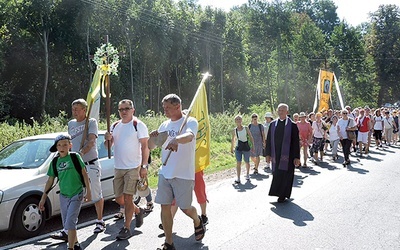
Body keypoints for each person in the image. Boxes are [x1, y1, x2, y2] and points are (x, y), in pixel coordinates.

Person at [149, 94, 205, 250]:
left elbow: (189, 136)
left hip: (183, 174)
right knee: (164, 206)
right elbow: (151, 147)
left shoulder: (189, 121)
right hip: (165, 172)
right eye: (164, 107)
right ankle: (169, 243)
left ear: (177, 106)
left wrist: (176, 139)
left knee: (185, 208)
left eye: (168, 107)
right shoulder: (164, 125)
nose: (164, 110)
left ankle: (197, 220)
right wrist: (152, 138)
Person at [104, 99, 149, 240]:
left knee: (128, 198)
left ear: (132, 110)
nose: (124, 111)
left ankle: (126, 228)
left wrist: (144, 166)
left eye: (126, 108)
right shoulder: (115, 125)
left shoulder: (138, 125)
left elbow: (145, 147)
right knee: (119, 199)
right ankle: (138, 210)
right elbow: (108, 147)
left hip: (133, 167)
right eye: (121, 109)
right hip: (118, 167)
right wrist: (107, 139)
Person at [39, 134, 91, 250]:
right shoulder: (55, 161)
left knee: (70, 223)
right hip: (64, 196)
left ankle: (70, 247)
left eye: (65, 144)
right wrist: (43, 198)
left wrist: (89, 192)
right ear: (56, 147)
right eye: (59, 145)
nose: (62, 147)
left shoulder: (75, 157)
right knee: (67, 223)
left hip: (76, 193)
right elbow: (50, 180)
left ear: (70, 145)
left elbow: (84, 174)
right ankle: (76, 244)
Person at [66, 99, 105, 234]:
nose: (74, 112)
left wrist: (80, 153)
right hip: (75, 166)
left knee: (95, 193)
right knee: (74, 194)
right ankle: (69, 227)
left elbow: (92, 141)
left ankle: (100, 221)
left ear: (84, 110)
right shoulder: (70, 124)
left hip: (90, 163)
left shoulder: (91, 122)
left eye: (77, 109)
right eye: (73, 109)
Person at [265, 103, 300, 203]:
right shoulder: (273, 124)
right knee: (276, 174)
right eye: (279, 110)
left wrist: (297, 157)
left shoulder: (292, 126)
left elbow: (295, 142)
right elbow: (268, 141)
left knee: (286, 175)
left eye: (283, 110)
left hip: (288, 155)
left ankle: (283, 195)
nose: (280, 112)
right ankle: (277, 192)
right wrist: (267, 154)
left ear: (287, 112)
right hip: (276, 154)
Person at [231, 115, 254, 183]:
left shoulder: (246, 128)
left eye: (239, 119)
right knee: (238, 162)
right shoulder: (234, 130)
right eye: (237, 119)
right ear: (235, 121)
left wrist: (253, 146)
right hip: (238, 148)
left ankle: (247, 174)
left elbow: (250, 137)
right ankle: (238, 178)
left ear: (241, 120)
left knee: (247, 161)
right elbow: (233, 140)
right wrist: (231, 148)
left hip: (246, 147)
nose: (238, 120)